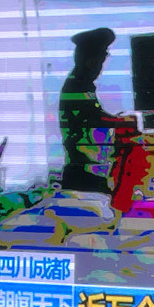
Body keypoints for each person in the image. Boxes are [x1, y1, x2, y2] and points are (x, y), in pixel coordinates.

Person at [59, 27, 137, 193]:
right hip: (82, 173)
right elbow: (93, 119)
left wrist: (116, 120)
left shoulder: (82, 84)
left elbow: (93, 115)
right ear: (89, 61)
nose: (99, 68)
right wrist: (121, 122)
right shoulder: (77, 86)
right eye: (99, 62)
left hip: (87, 169)